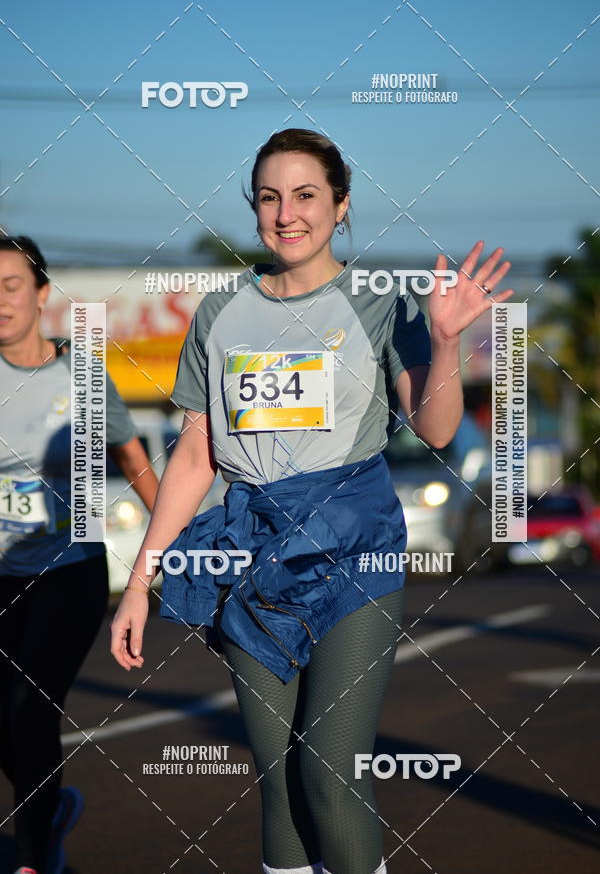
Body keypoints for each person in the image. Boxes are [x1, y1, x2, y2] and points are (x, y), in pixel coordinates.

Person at [110, 128, 512, 874]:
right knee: (281, 783)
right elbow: (195, 456)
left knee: (330, 772)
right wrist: (140, 582)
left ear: (341, 204)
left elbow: (434, 428)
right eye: (269, 197)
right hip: (250, 553)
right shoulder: (219, 311)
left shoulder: (381, 303)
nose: (286, 214)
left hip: (354, 548)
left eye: (305, 195)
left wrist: (446, 342)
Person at [0, 235, 159, 874]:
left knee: (30, 706)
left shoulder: (81, 372)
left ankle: (33, 857)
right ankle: (53, 810)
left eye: (11, 285)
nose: (0, 300)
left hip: (68, 570)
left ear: (41, 294)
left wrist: (182, 540)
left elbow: (133, 459)